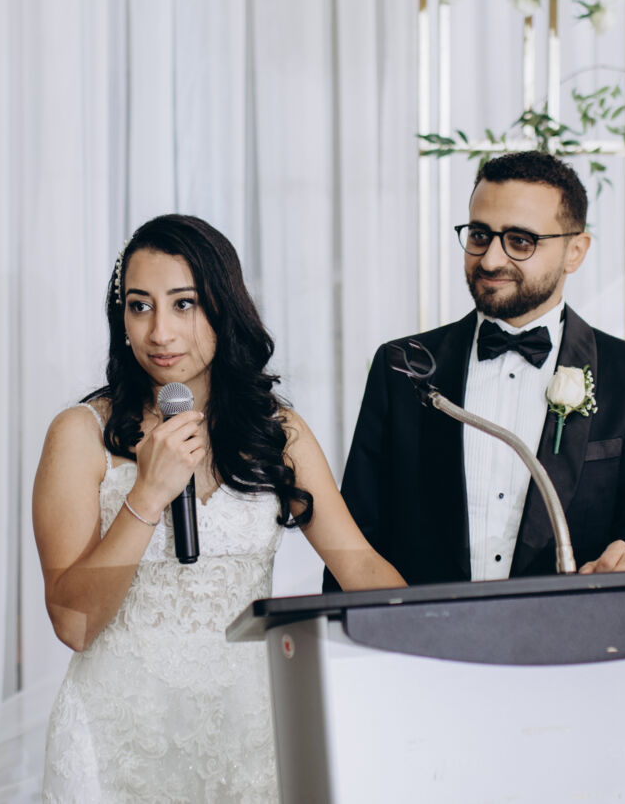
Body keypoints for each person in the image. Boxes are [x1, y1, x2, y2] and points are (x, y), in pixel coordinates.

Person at [35, 214, 404, 802]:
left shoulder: (278, 432)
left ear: (222, 307)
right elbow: (74, 625)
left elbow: (357, 564)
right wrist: (146, 496)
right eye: (140, 306)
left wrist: (440, 641)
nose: (160, 332)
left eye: (183, 304)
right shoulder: (80, 435)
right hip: (117, 738)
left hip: (250, 734)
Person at [331, 151, 625, 589]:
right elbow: (355, 540)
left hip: (572, 632)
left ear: (575, 251)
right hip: (422, 631)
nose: (490, 260)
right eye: (479, 235)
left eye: (520, 241)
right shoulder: (401, 368)